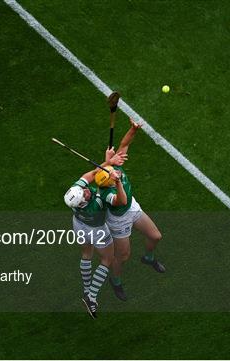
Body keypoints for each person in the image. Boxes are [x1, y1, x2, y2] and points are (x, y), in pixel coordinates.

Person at [97, 118, 166, 302]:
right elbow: (122, 200)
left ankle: (149, 258)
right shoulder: (105, 194)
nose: (116, 173)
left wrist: (133, 129)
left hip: (133, 208)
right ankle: (116, 281)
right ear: (107, 181)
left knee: (155, 236)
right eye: (112, 177)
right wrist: (118, 181)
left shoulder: (114, 166)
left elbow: (124, 144)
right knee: (123, 256)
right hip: (119, 220)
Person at [63, 148, 128, 318]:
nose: (86, 190)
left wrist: (107, 163)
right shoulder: (97, 203)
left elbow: (91, 175)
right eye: (85, 193)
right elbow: (119, 199)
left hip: (78, 224)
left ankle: (86, 289)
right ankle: (91, 297)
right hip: (97, 230)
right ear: (83, 201)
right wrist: (114, 176)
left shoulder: (74, 194)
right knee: (107, 259)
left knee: (86, 254)